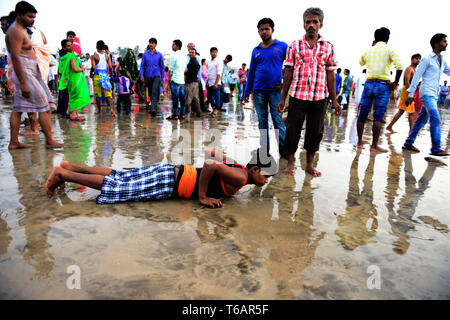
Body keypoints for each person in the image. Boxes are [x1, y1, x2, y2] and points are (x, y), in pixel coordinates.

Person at [44, 149, 277, 209]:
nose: (266, 181)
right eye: (266, 176)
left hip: (172, 173)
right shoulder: (240, 176)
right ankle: (62, 174)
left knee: (120, 176)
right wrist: (203, 196)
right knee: (118, 188)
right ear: (255, 169)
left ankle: (71, 166)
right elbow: (210, 164)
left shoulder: (237, 166)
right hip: (170, 182)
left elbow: (211, 153)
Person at [277, 7, 342, 177]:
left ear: (321, 24)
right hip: (298, 96)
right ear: (304, 25)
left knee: (315, 132)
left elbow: (330, 75)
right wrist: (283, 98)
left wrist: (334, 101)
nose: (311, 25)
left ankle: (309, 165)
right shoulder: (295, 46)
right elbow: (288, 73)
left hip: (320, 98)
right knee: (292, 130)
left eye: (315, 22)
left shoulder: (328, 47)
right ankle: (290, 164)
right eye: (308, 22)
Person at [5, 1, 64, 149]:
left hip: (29, 71)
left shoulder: (21, 30)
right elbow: (16, 57)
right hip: (26, 73)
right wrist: (24, 83)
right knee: (44, 105)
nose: (33, 20)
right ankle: (49, 140)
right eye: (30, 17)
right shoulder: (16, 32)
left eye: (34, 17)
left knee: (18, 108)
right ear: (20, 15)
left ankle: (13, 142)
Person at [244, 17, 288, 158]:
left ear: (272, 30)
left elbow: (291, 66)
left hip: (275, 91)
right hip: (258, 92)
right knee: (262, 121)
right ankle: (264, 150)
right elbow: (251, 72)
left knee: (278, 120)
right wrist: (247, 91)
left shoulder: (282, 46)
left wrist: (284, 84)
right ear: (258, 32)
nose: (264, 31)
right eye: (261, 30)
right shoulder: (255, 50)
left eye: (266, 29)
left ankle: (284, 150)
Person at [402, 33, 450, 156]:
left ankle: (408, 142)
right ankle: (436, 148)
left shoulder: (442, 60)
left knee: (421, 120)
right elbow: (417, 76)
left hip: (434, 94)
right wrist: (411, 94)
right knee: (435, 117)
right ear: (436, 44)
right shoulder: (427, 59)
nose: (446, 44)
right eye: (444, 41)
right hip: (426, 93)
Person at [357, 27, 403, 152]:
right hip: (383, 85)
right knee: (378, 116)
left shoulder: (369, 50)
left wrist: (372, 47)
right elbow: (400, 66)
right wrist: (395, 82)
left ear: (375, 38)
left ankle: (359, 142)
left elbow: (361, 62)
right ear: (387, 38)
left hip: (369, 84)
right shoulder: (389, 49)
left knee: (362, 114)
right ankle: (374, 145)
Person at [385, 54, 421, 133]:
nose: (418, 60)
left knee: (402, 111)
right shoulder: (409, 69)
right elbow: (407, 82)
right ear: (412, 59)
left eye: (419, 59)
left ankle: (389, 126)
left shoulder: (415, 70)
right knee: (411, 112)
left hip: (410, 91)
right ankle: (411, 131)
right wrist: (410, 93)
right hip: (407, 91)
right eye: (416, 58)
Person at [58, 39, 90, 121]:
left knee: (72, 96)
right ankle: (74, 114)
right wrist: (81, 70)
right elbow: (75, 69)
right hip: (75, 79)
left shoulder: (63, 57)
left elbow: (59, 70)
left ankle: (72, 113)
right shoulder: (71, 56)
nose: (71, 47)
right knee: (78, 96)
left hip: (69, 80)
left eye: (71, 45)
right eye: (68, 46)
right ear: (64, 48)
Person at [140, 38, 164, 116]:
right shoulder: (145, 54)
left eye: (152, 43)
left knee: (154, 91)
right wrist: (141, 76)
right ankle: (154, 104)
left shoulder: (159, 55)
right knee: (150, 91)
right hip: (147, 76)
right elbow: (142, 66)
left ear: (155, 44)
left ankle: (153, 108)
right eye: (150, 42)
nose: (151, 44)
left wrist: (162, 78)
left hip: (156, 76)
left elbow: (162, 67)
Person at [90, 40, 115, 116]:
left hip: (97, 75)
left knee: (97, 94)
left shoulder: (94, 56)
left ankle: (99, 110)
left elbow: (93, 67)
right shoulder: (107, 56)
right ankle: (111, 108)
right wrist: (111, 74)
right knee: (108, 93)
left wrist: (91, 73)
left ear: (96, 46)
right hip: (105, 76)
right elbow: (110, 67)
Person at [167, 39, 186, 120]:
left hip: (175, 79)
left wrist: (169, 80)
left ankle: (175, 114)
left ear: (177, 46)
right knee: (182, 98)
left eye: (173, 44)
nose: (172, 46)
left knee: (175, 98)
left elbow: (170, 69)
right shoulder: (184, 56)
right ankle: (182, 113)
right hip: (182, 80)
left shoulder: (173, 55)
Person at [186, 43, 207, 112]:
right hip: (188, 79)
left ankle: (200, 109)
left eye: (192, 47)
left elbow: (199, 69)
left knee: (198, 95)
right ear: (187, 48)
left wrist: (199, 78)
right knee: (192, 96)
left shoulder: (197, 58)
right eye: (189, 47)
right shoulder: (186, 57)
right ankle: (195, 110)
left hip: (195, 79)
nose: (191, 48)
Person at [206, 47, 223, 118]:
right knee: (209, 97)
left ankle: (216, 110)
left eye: (215, 52)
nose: (214, 53)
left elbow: (219, 74)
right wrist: (207, 82)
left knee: (217, 97)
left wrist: (216, 83)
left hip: (215, 83)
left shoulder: (218, 62)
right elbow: (208, 73)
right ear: (210, 53)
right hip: (209, 82)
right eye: (213, 52)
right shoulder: (209, 62)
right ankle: (214, 108)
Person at [185, 48, 201, 118]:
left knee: (188, 98)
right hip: (193, 82)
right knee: (195, 98)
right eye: (190, 52)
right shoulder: (191, 61)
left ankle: (187, 114)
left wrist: (186, 72)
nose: (191, 54)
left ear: (195, 54)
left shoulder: (195, 62)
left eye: (192, 53)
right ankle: (198, 113)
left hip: (191, 82)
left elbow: (194, 72)